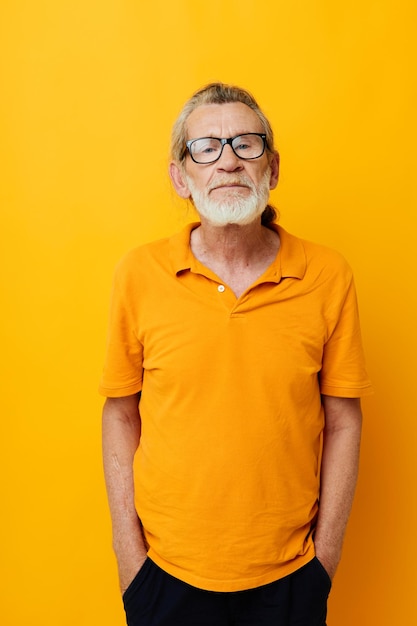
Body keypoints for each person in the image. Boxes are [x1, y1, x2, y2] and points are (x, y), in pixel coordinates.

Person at [99, 82, 372, 626]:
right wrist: (132, 565)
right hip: (164, 578)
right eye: (206, 147)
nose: (227, 161)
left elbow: (344, 419)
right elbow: (120, 412)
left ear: (271, 168)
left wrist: (325, 561)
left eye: (245, 144)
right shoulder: (139, 274)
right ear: (181, 176)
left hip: (290, 581)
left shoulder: (328, 276)